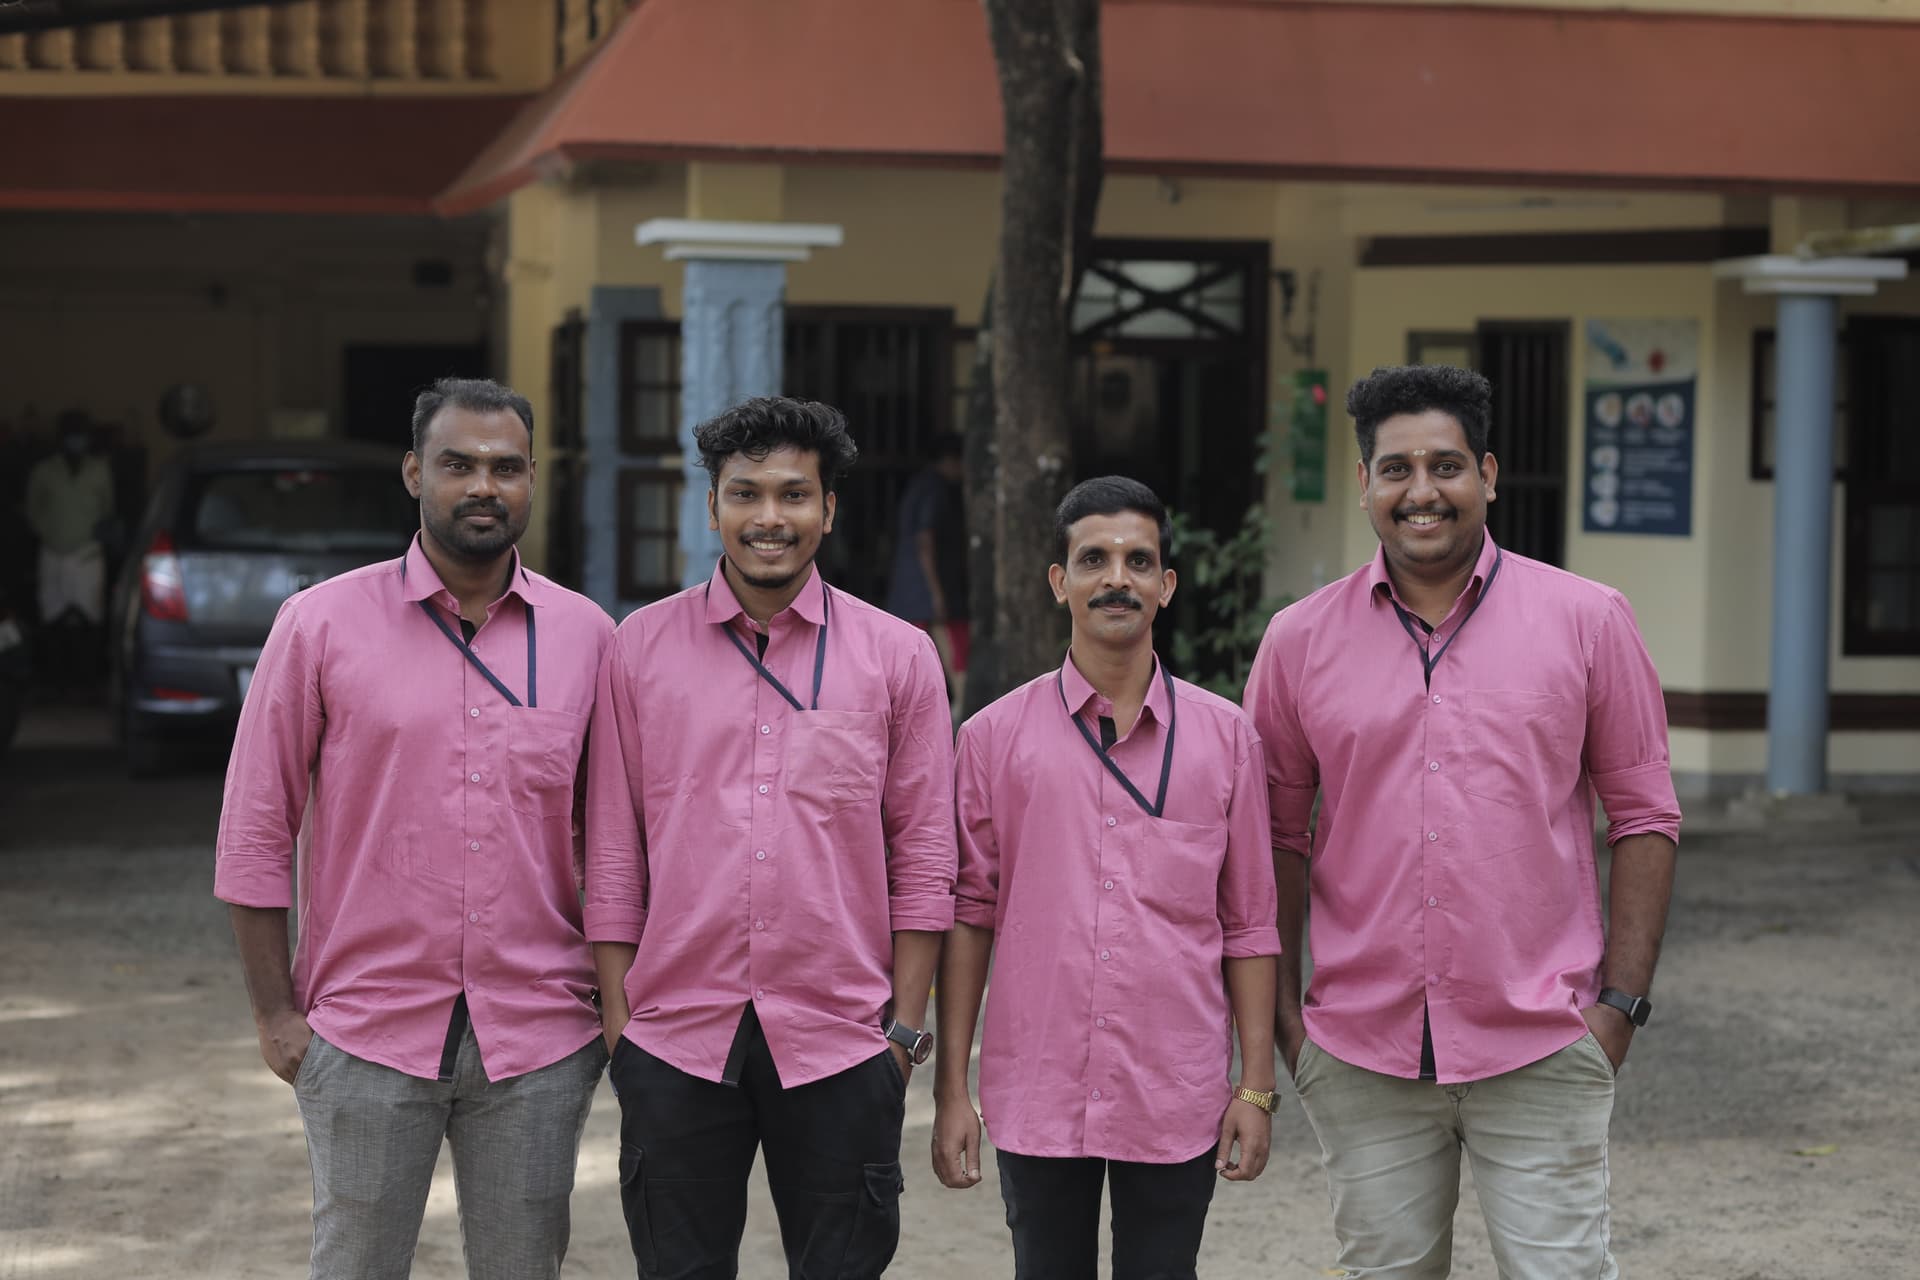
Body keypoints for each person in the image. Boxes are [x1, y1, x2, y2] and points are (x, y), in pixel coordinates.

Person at [1243, 364, 1682, 1278]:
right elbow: (1272, 838)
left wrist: (1619, 1010)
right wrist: (1287, 1025)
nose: (1421, 492)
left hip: (1543, 1042)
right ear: (1365, 483)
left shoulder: (1589, 621)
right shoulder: (1297, 642)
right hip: (1362, 1053)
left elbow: (1643, 817)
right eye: (1396, 468)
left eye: (1445, 465)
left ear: (1488, 473)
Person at [214, 377, 613, 1280]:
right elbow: (253, 830)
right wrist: (276, 1015)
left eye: (506, 467)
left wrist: (611, 1008)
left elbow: (616, 845)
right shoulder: (317, 626)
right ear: (412, 473)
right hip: (364, 1032)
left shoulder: (588, 638)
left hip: (540, 1039)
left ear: (532, 480)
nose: (484, 486)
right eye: (457, 464)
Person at [586, 395, 956, 1280]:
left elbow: (926, 857)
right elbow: (609, 851)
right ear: (710, 505)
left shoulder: (898, 657)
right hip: (674, 1036)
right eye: (745, 493)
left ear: (829, 510)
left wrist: (902, 1035)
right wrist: (620, 1031)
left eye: (794, 495)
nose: (768, 519)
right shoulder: (638, 650)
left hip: (842, 1038)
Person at [934, 475, 1282, 1280]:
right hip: (1038, 1086)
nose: (1115, 578)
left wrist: (1255, 1089)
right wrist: (953, 1088)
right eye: (1093, 559)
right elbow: (968, 916)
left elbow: (1252, 924)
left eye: (1137, 560)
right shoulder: (992, 739)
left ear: (1166, 584)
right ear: (1060, 582)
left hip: (1174, 1090)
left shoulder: (1227, 740)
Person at [25, 411, 116, 690]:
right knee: (53, 619)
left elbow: (107, 511)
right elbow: (32, 510)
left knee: (90, 619)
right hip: (52, 553)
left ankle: (86, 682)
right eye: (71, 433)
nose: (76, 440)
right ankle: (55, 682)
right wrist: (49, 533)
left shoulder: (99, 470)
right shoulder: (44, 471)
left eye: (80, 433)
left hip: (87, 555)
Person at [884, 430, 970, 707]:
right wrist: (936, 592)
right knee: (943, 640)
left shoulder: (919, 485)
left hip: (911, 584)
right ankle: (959, 704)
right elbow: (925, 540)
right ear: (951, 460)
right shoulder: (936, 490)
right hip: (925, 583)